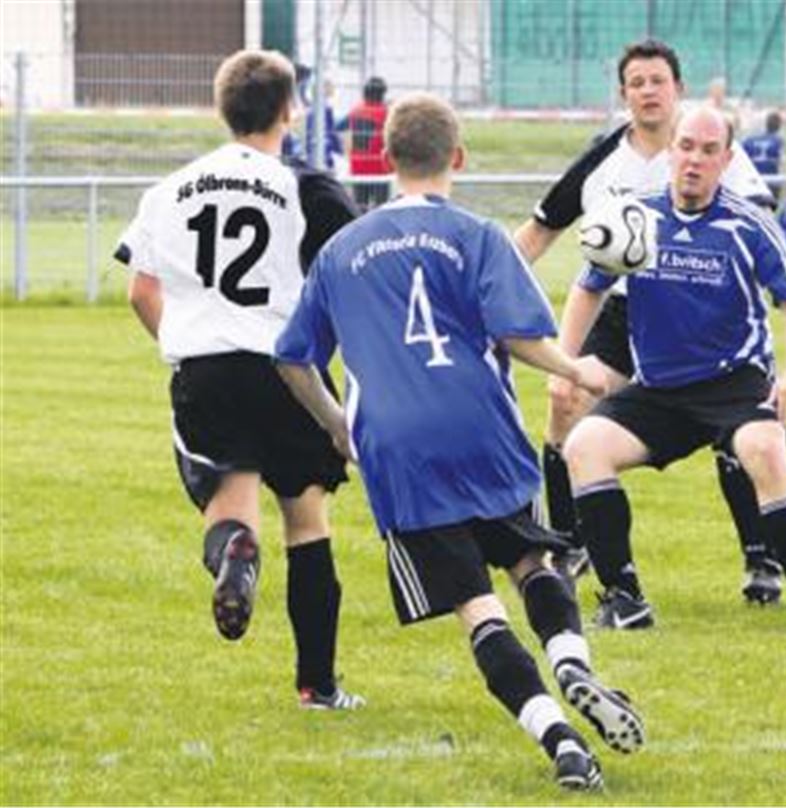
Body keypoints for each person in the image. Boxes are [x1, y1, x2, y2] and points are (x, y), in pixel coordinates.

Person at [274, 93, 645, 791]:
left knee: (477, 606)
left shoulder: (339, 252)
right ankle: (572, 661)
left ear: (385, 158)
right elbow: (516, 334)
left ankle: (558, 738)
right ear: (460, 157)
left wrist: (335, 423)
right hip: (482, 426)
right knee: (534, 561)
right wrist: (575, 369)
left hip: (398, 446)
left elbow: (292, 357)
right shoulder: (477, 236)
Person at [115, 49, 364, 710]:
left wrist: (186, 343)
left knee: (230, 511)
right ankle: (319, 686)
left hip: (206, 369)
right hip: (287, 368)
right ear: (290, 109)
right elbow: (351, 281)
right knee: (307, 522)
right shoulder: (308, 187)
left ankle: (237, 550)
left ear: (223, 109)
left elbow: (141, 291)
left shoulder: (170, 189)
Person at [514, 39, 782, 628]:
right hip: (623, 318)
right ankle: (569, 541)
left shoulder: (712, 150)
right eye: (636, 82)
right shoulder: (602, 163)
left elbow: (764, 217)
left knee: (735, 432)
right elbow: (540, 230)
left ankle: (760, 557)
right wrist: (484, 288)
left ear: (677, 89)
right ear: (624, 94)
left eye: (658, 80)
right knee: (565, 401)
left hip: (701, 314)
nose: (648, 91)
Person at [561, 106, 786, 633]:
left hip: (734, 382)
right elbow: (588, 288)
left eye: (708, 150)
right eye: (686, 145)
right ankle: (624, 600)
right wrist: (564, 365)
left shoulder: (747, 222)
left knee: (763, 448)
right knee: (584, 446)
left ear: (727, 159)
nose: (694, 159)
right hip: (659, 390)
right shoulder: (635, 217)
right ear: (671, 148)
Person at [342, 75, 391, 211]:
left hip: (358, 166)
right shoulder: (386, 113)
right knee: (381, 209)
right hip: (380, 168)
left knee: (359, 208)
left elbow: (338, 126)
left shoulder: (355, 111)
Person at [742, 110, 785, 200]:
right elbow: (780, 162)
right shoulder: (778, 140)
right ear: (779, 126)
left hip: (752, 182)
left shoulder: (749, 139)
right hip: (770, 181)